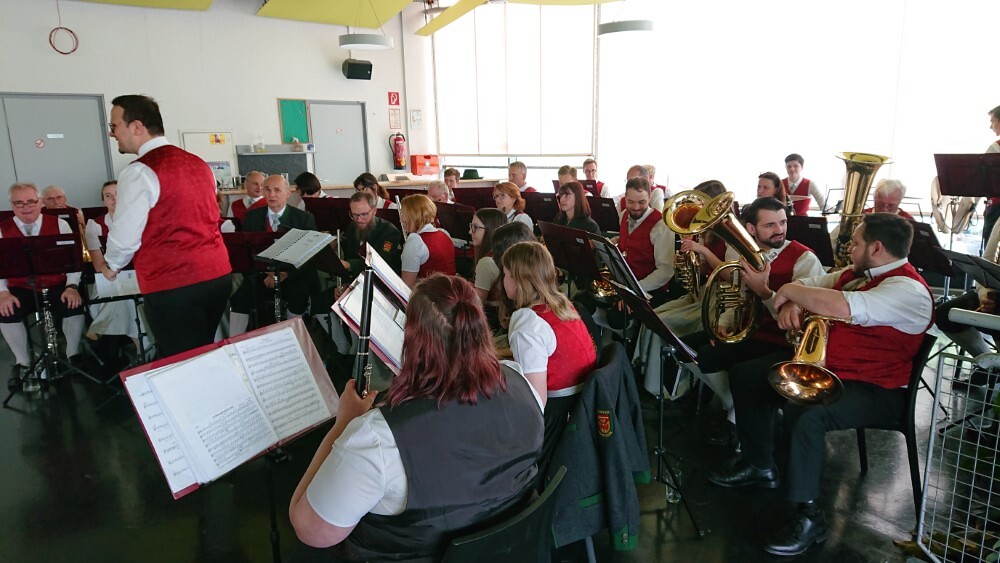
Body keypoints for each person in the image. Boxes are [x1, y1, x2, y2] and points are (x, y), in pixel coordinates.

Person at [707, 213, 933, 556]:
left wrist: (790, 291)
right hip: (840, 370)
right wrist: (797, 297)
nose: (849, 249)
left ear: (876, 248)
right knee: (747, 375)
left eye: (855, 244)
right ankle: (759, 465)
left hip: (880, 390)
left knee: (808, 414)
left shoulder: (908, 290)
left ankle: (810, 516)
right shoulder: (856, 273)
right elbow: (815, 281)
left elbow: (842, 305)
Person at [289, 275, 543, 561]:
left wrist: (343, 425)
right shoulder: (522, 383)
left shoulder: (376, 439)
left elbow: (309, 529)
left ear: (413, 341)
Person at [682, 197, 825, 447]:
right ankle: (733, 407)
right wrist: (724, 322)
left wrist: (765, 293)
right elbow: (739, 295)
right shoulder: (746, 255)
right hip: (752, 333)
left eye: (783, 222)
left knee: (741, 372)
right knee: (685, 349)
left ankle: (737, 417)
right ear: (751, 229)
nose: (779, 230)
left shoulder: (805, 259)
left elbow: (800, 320)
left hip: (783, 342)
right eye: (770, 225)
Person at [103, 94, 231, 358]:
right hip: (217, 275)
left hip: (174, 281)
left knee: (180, 361)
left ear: (137, 126)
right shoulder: (199, 164)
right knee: (203, 352)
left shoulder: (139, 171)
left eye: (114, 126)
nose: (112, 133)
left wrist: (112, 265)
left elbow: (125, 236)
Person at [502, 241, 596, 463]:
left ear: (517, 280)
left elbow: (535, 401)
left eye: (505, 274)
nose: (503, 280)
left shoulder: (527, 323)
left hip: (556, 418)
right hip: (582, 405)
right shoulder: (560, 303)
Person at [1, 182, 84, 389]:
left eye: (31, 201)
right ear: (12, 205)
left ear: (40, 202)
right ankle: (22, 363)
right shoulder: (2, 230)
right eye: (19, 203)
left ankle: (73, 354)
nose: (26, 207)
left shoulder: (60, 224)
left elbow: (74, 261)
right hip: (21, 287)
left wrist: (72, 286)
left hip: (57, 284)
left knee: (73, 304)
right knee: (6, 311)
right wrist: (2, 293)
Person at [228, 174, 318, 337]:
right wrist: (268, 273)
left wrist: (284, 274)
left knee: (298, 294)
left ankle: (294, 338)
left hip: (293, 275)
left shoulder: (303, 219)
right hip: (262, 275)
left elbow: (310, 255)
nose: (272, 194)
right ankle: (234, 341)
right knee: (240, 297)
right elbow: (246, 253)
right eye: (267, 190)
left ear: (288, 193)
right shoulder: (252, 218)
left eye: (277, 190)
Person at [84, 180, 147, 349]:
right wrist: (114, 269)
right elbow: (99, 266)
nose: (114, 199)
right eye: (108, 195)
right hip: (109, 279)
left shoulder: (142, 219)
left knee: (128, 297)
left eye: (118, 194)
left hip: (141, 277)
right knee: (127, 298)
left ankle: (101, 327)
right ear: (103, 200)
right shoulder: (94, 225)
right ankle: (143, 349)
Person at [616, 177, 674, 305]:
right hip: (627, 284)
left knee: (615, 315)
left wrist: (635, 290)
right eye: (631, 202)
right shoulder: (623, 215)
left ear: (649, 198)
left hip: (650, 289)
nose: (636, 207)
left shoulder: (661, 225)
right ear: (625, 198)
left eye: (642, 202)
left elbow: (666, 271)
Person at [338, 190, 403, 279]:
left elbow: (380, 264)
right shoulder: (351, 226)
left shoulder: (390, 232)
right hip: (356, 280)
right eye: (354, 215)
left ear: (374, 211)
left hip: (381, 281)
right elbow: (349, 255)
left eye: (364, 214)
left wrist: (349, 265)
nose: (359, 220)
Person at [399, 194, 456, 288]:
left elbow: (406, 286)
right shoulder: (444, 233)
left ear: (414, 216)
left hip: (430, 296)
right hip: (451, 292)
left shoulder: (415, 241)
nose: (401, 220)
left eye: (403, 215)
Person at [469, 208, 507, 305]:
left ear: (491, 229)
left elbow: (476, 304)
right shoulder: (504, 252)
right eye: (471, 226)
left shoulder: (486, 262)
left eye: (475, 227)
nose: (470, 231)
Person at [979, 105, 1000, 240]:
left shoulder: (995, 148)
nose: (990, 126)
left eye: (992, 121)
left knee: (990, 245)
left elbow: (981, 179)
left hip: (997, 206)